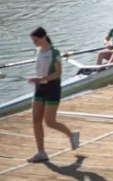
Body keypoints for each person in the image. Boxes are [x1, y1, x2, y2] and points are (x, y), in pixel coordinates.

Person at [26, 27, 79, 163]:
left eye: (36, 40)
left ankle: (72, 135)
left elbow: (57, 73)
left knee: (49, 121)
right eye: (33, 41)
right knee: (36, 119)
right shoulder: (37, 51)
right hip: (39, 88)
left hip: (52, 88)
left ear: (44, 37)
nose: (34, 43)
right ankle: (41, 152)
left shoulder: (54, 52)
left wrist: (42, 78)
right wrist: (36, 79)